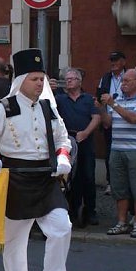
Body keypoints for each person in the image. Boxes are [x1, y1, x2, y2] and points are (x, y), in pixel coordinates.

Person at [0, 48, 73, 271]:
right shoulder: (4, 108)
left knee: (62, 227)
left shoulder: (49, 108)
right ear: (21, 80)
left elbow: (63, 139)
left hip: (45, 177)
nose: (40, 84)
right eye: (34, 79)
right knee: (15, 239)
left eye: (42, 79)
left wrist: (63, 157)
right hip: (15, 177)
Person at [100, 69, 136, 238]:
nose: (122, 84)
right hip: (116, 149)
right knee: (119, 188)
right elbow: (108, 123)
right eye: (122, 81)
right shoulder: (118, 99)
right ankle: (122, 222)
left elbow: (134, 118)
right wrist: (101, 109)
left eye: (126, 81)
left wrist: (113, 105)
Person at [55, 68, 101, 226]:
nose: (68, 81)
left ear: (80, 82)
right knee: (71, 178)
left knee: (88, 176)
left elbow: (96, 117)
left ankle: (91, 211)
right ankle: (72, 210)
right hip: (67, 142)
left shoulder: (89, 99)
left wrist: (86, 133)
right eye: (66, 79)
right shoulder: (59, 99)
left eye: (72, 78)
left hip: (85, 141)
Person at [98, 51, 128, 194]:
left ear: (123, 62)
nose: (113, 63)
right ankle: (110, 182)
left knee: (126, 152)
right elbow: (99, 97)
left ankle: (126, 182)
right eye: (111, 60)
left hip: (125, 119)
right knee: (110, 152)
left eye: (116, 60)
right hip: (109, 120)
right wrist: (103, 116)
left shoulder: (129, 76)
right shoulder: (105, 77)